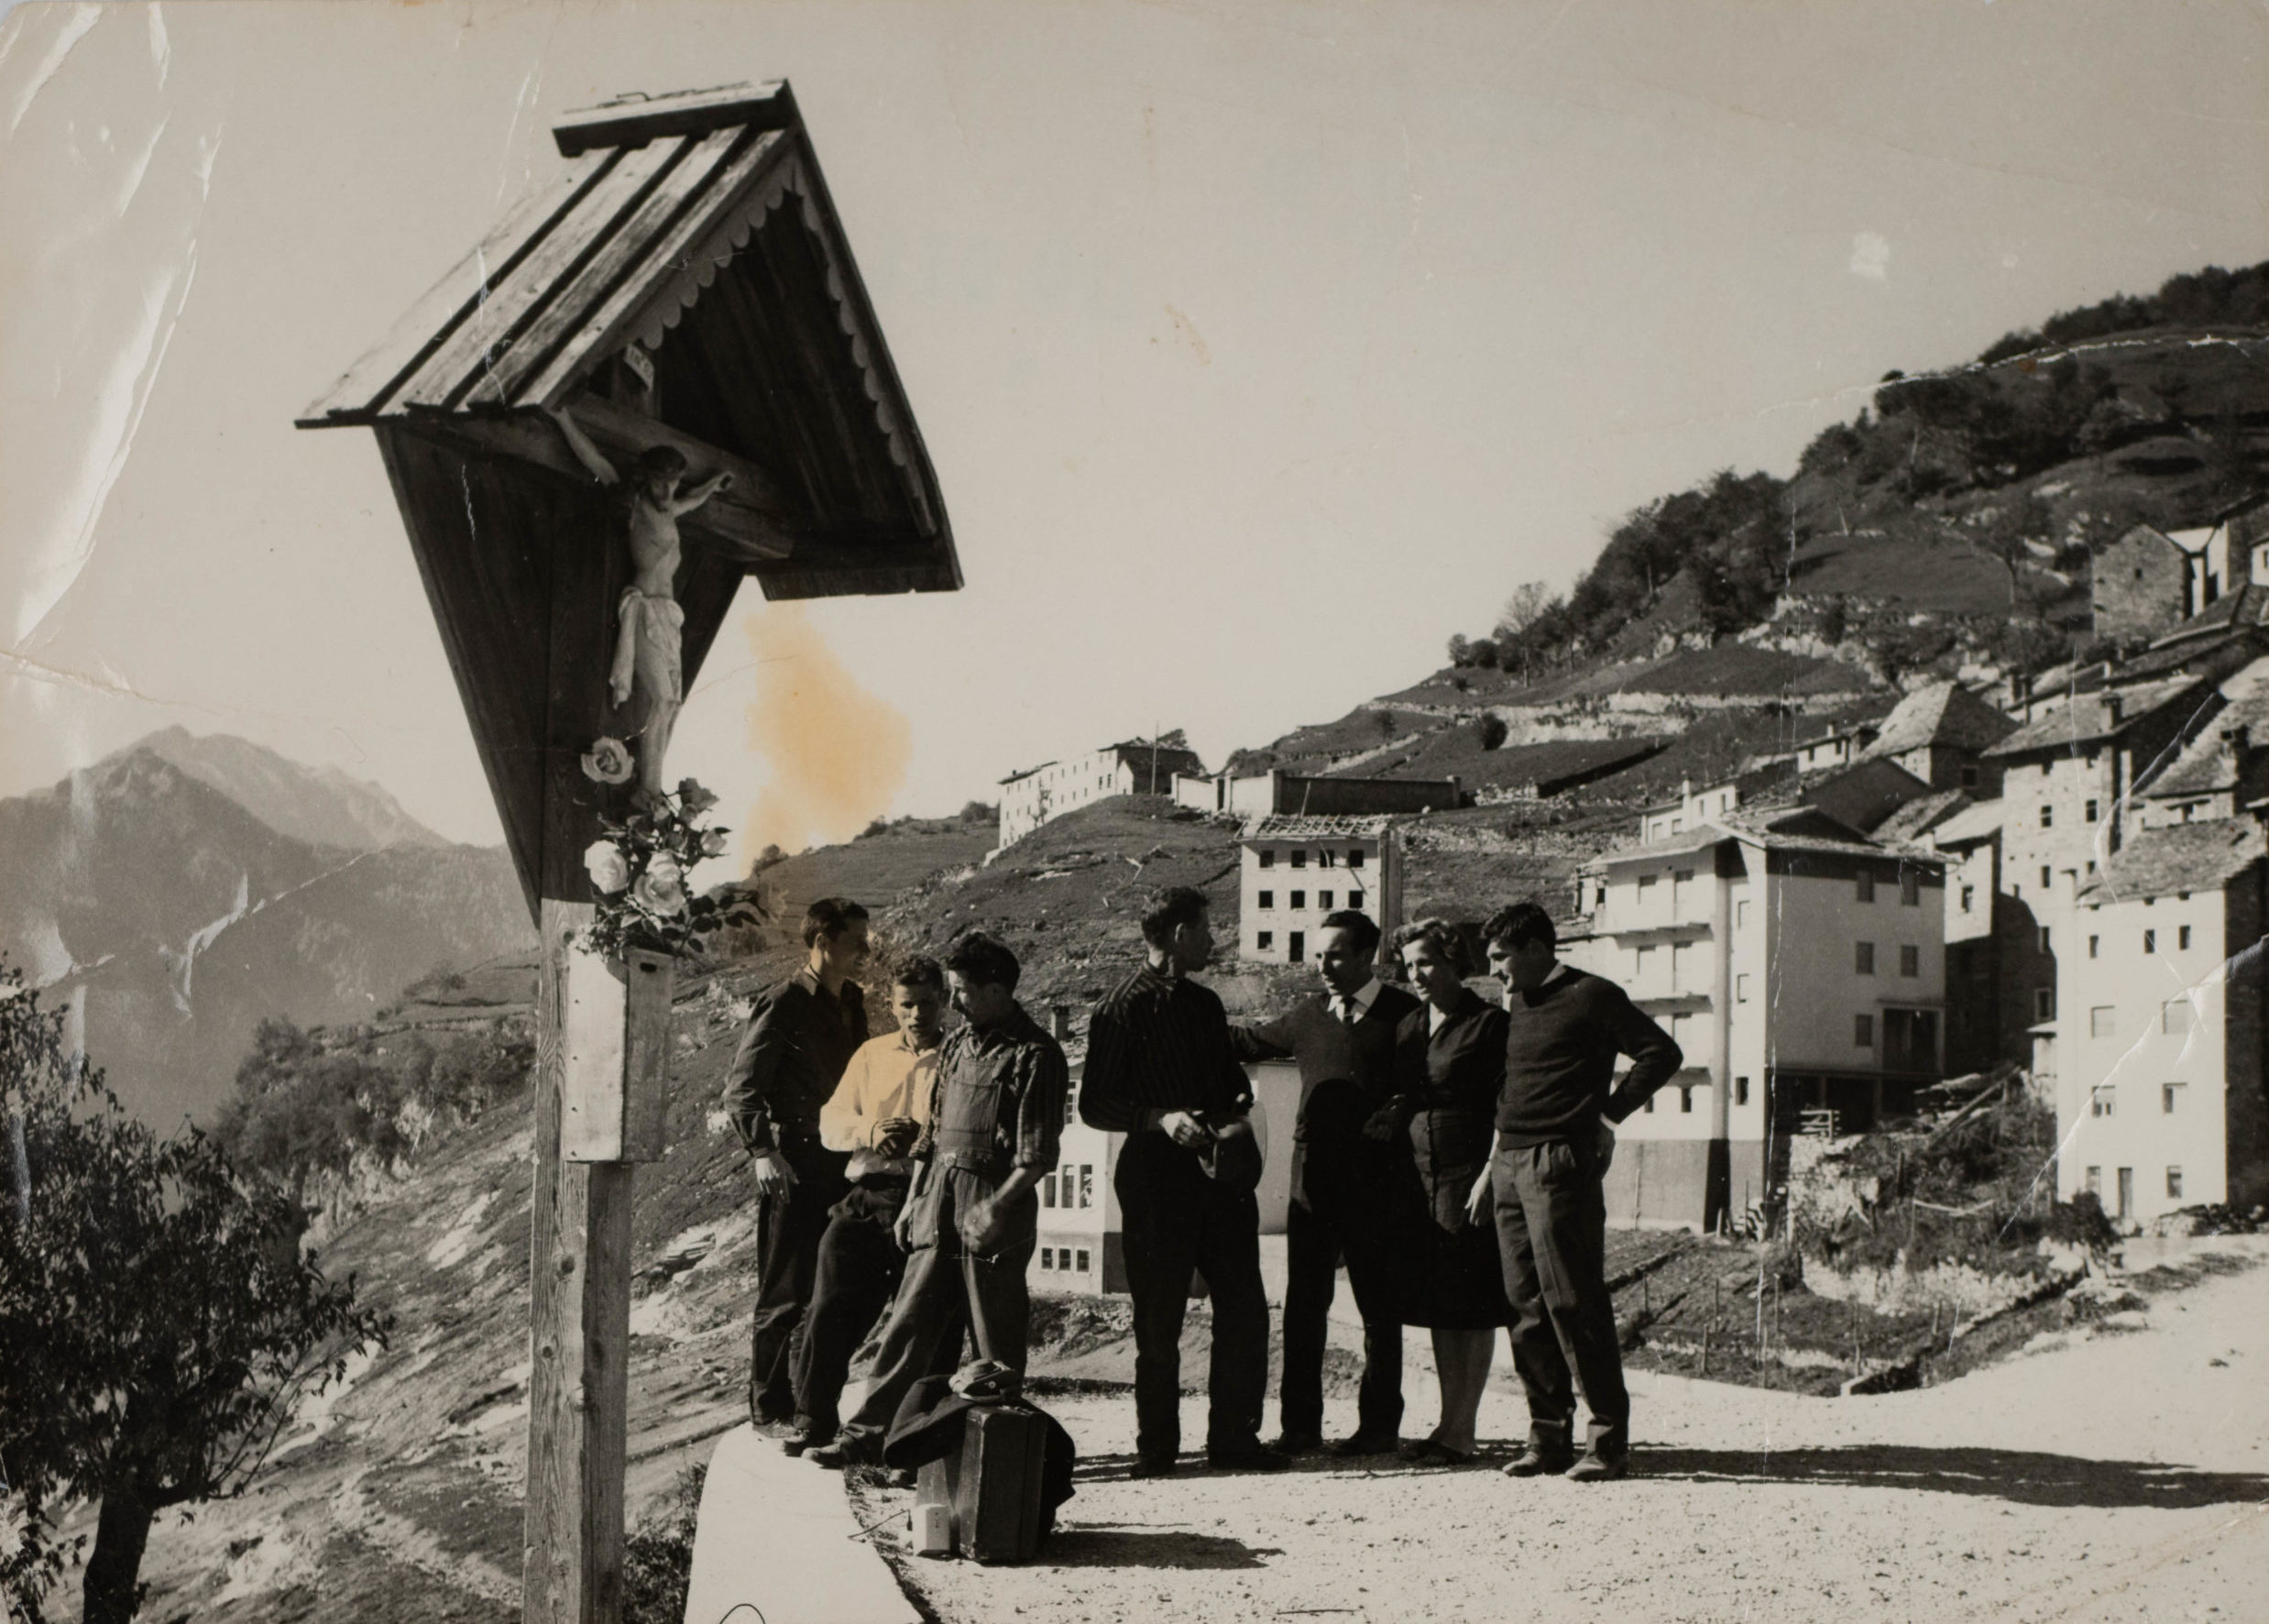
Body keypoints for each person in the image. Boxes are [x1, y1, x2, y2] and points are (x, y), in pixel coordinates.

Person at [809, 933, 1069, 1469]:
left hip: (995, 1205)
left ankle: (1002, 1460)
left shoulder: (1036, 1054)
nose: (952, 1004)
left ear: (995, 991)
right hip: (937, 1199)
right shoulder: (956, 1046)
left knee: (994, 1340)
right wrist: (914, 1203)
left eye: (961, 992)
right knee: (909, 1323)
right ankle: (866, 1439)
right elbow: (929, 1140)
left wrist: (997, 1207)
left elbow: (1037, 1156)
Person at [1471, 902, 1681, 1482]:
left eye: (1501, 957)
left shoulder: (1593, 995)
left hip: (1558, 1164)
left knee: (1573, 1300)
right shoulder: (1518, 1003)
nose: (1494, 970)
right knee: (1524, 1306)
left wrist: (1607, 1118)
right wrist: (1494, 1163)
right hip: (1510, 1162)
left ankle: (1607, 1444)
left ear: (1537, 949)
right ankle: (1547, 1441)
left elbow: (1661, 1053)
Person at [1080, 886, 1285, 1477]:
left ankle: (1235, 1441)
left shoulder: (1206, 1003)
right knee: (1158, 1317)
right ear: (1178, 934)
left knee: (1244, 1308)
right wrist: (1159, 1118)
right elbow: (1094, 1104)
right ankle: (1157, 1448)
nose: (1213, 941)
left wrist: (1237, 1109)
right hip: (1154, 1181)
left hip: (1219, 1177)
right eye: (1206, 929)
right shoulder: (1119, 1007)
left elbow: (1228, 1079)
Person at [1230, 909, 1419, 1455]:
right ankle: (1300, 1428)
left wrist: (1400, 1108)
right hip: (1311, 1182)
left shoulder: (1406, 1015)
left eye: (1335, 955)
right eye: (1318, 955)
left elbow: (1426, 1083)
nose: (1323, 966)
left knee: (1378, 1311)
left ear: (1366, 956)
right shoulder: (1307, 1015)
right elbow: (1247, 1042)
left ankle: (1379, 1428)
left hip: (1377, 1184)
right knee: (1304, 1308)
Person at [782, 955, 948, 1456]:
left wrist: (922, 1141)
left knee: (920, 1323)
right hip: (866, 1194)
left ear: (943, 1001)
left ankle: (906, 1440)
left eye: (926, 1003)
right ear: (891, 1005)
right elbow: (831, 1122)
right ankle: (813, 1422)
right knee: (828, 1305)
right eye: (906, 1005)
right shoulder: (872, 1055)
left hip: (928, 1199)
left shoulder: (957, 1057)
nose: (916, 1015)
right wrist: (871, 1131)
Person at [721, 897, 872, 1432]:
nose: (866, 951)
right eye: (856, 941)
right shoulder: (784, 1002)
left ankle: (809, 1406)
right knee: (785, 1291)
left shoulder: (852, 1001)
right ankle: (769, 1408)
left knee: (828, 1291)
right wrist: (764, 1151)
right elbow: (742, 1089)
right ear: (823, 942)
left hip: (844, 1158)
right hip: (798, 1162)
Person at [546, 402, 731, 799]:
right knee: (662, 699)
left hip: (669, 618)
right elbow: (595, 460)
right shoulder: (636, 507)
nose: (668, 492)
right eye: (661, 484)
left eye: (673, 484)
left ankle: (652, 788)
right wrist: (563, 419)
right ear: (647, 480)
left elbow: (695, 498)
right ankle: (649, 789)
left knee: (672, 703)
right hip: (644, 611)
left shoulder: (672, 509)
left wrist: (716, 482)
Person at [1387, 919, 1513, 1465]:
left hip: (1468, 1174)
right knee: (1442, 1304)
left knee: (1472, 1303)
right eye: (1409, 965)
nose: (1415, 974)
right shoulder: (1410, 1025)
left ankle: (1464, 1429)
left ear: (1454, 962)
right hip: (1421, 1177)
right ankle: (1447, 1423)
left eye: (1426, 963)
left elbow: (1508, 1106)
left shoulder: (1489, 1024)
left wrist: (1490, 1174)